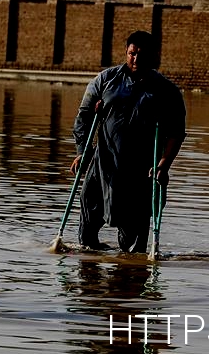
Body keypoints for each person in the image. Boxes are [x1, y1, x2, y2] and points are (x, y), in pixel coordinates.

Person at [71, 31, 186, 253]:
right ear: (126, 53)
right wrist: (81, 152)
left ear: (153, 56)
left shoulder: (166, 91)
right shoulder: (105, 80)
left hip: (140, 173)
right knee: (86, 239)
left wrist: (164, 165)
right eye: (132, 54)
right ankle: (89, 283)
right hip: (103, 166)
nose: (136, 59)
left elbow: (176, 133)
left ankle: (127, 281)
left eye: (141, 54)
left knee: (131, 245)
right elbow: (84, 117)